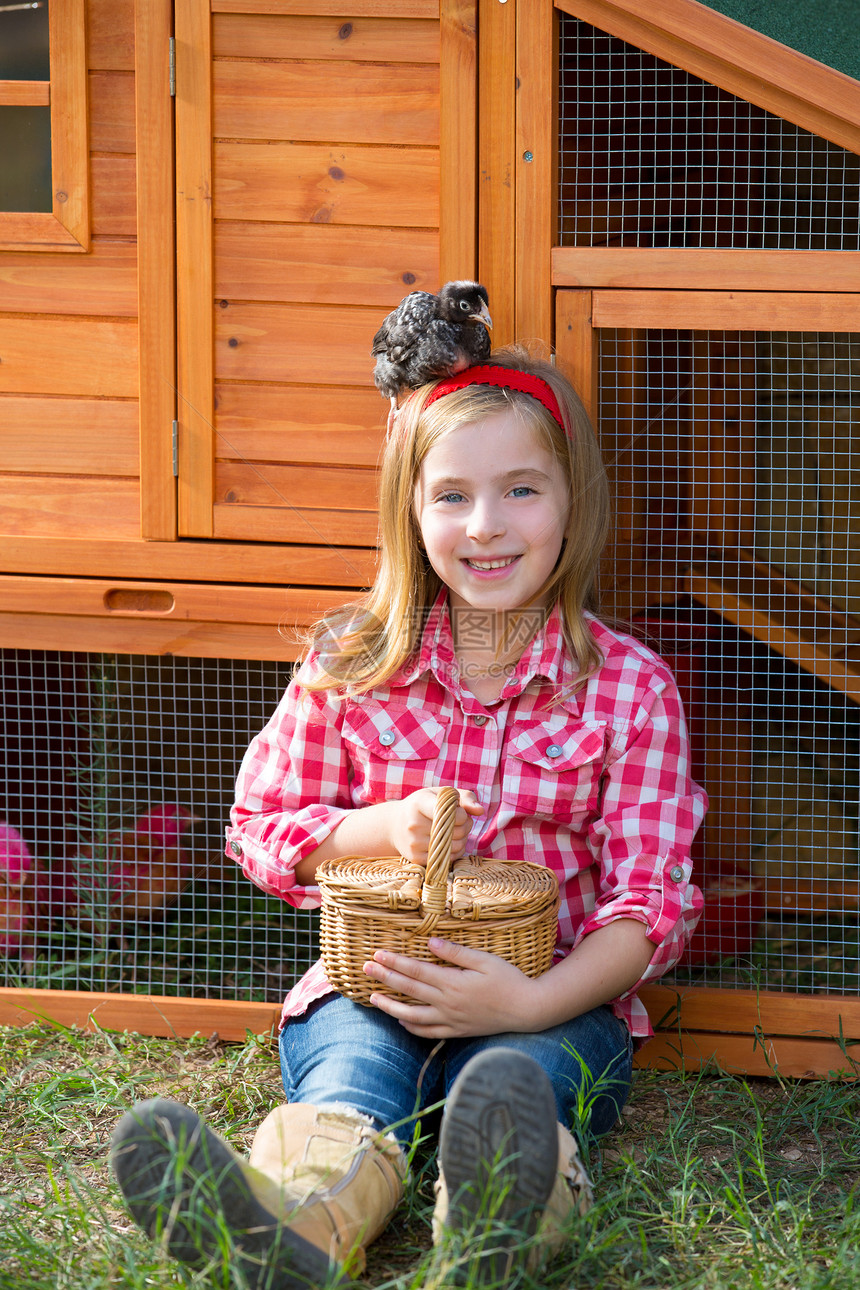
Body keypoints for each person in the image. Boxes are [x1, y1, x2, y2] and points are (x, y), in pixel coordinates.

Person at [110, 346, 706, 1289]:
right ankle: (294, 1224)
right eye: (452, 496)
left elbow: (649, 902)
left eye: (520, 490)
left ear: (574, 500)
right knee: (350, 1080)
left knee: (518, 1090)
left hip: (552, 997)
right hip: (374, 983)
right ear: (411, 507)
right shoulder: (356, 660)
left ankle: (496, 1228)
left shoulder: (628, 689)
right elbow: (261, 821)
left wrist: (531, 1002)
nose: (485, 526)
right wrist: (381, 824)